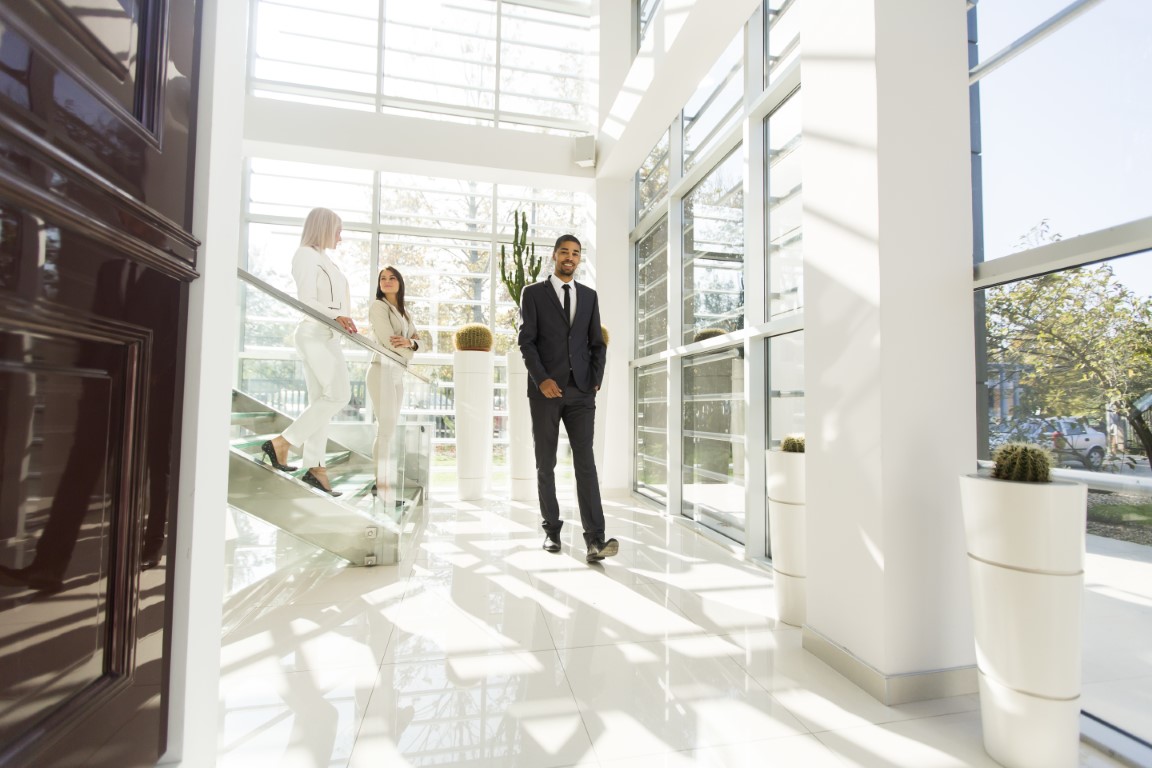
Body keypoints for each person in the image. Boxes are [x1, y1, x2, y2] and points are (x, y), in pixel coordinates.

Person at [517, 234, 617, 563]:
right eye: (564, 252)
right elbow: (527, 341)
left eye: (575, 253)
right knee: (546, 463)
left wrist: (596, 380)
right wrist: (541, 378)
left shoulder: (588, 296)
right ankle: (551, 530)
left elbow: (596, 343)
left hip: (581, 392)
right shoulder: (532, 294)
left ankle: (595, 540)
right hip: (545, 392)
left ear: (579, 258)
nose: (570, 257)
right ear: (555, 255)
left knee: (585, 464)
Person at [262, 207, 357, 497]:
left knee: (322, 403)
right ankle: (281, 443)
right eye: (338, 230)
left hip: (329, 336)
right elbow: (305, 299)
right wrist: (336, 314)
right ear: (324, 227)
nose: (341, 236)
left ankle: (316, 469)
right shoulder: (305, 255)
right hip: (314, 334)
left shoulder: (325, 260)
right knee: (339, 395)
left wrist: (341, 317)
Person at [366, 266, 421, 493]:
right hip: (381, 370)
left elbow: (420, 340)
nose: (387, 281)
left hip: (397, 375)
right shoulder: (379, 307)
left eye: (392, 278)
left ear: (399, 283)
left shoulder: (404, 313)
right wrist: (411, 348)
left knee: (390, 429)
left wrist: (410, 343)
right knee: (386, 429)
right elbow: (389, 343)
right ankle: (381, 483)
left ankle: (384, 482)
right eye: (383, 279)